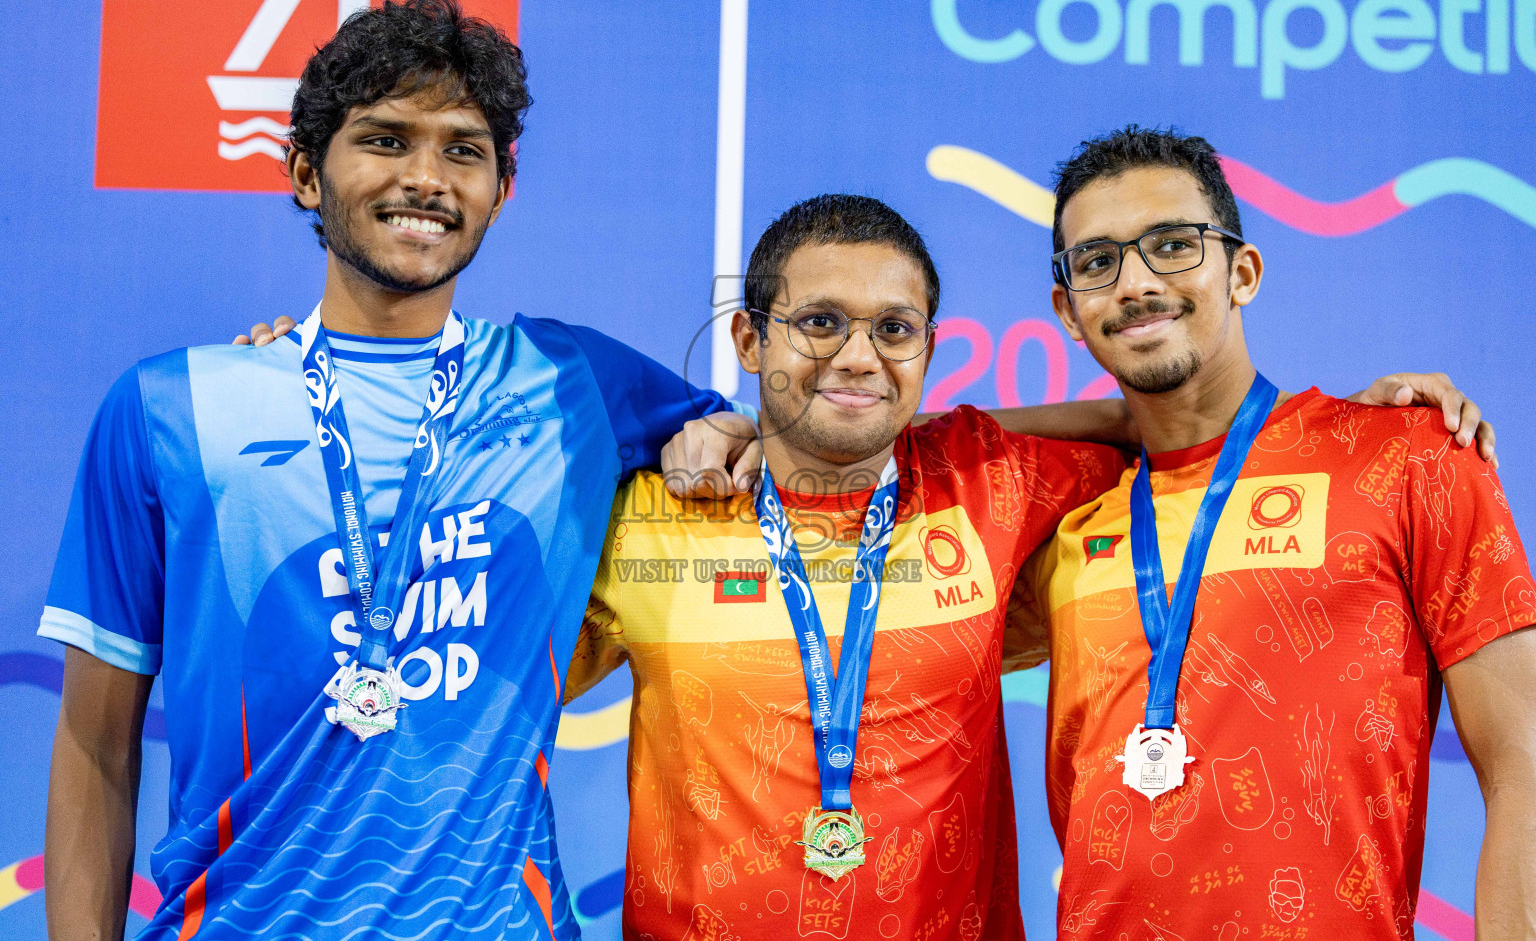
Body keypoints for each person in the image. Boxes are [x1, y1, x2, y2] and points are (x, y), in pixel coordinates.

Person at [559, 195, 1493, 940]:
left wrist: (1383, 417)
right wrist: (752, 428)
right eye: (819, 324)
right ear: (750, 342)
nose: (858, 355)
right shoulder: (649, 518)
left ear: (929, 349)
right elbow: (490, 691)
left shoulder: (992, 484)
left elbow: (1166, 424)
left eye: (895, 331)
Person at [38, 0, 756, 940]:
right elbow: (96, 745)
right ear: (304, 172)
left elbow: (819, 440)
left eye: (463, 150)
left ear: (502, 189)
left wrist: (723, 430)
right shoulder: (172, 407)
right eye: (384, 140)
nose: (426, 177)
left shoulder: (575, 380)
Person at [1013, 126, 1535, 938]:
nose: (1137, 282)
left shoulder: (1406, 455)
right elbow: (883, 449)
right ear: (1068, 311)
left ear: (1243, 271)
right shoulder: (1062, 515)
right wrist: (768, 440)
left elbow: (1525, 763)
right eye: (1097, 262)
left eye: (1173, 246)